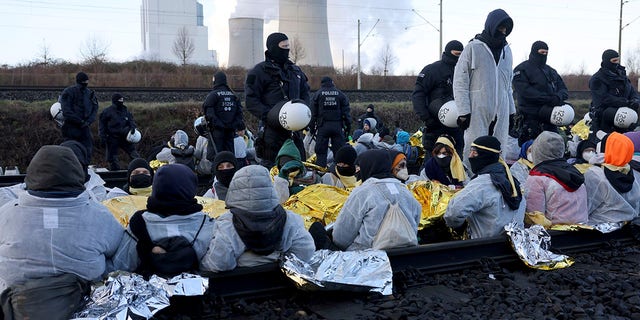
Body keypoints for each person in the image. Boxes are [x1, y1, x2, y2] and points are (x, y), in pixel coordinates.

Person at [0, 146, 125, 319]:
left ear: (32, 173)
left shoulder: (6, 214)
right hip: (85, 306)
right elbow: (119, 249)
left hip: (18, 308)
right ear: (77, 175)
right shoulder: (99, 216)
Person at [201, 165, 315, 272]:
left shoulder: (228, 223)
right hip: (283, 287)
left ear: (235, 190)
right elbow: (306, 251)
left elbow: (220, 263)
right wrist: (278, 258)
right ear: (269, 187)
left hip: (241, 287)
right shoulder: (289, 219)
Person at [116, 164, 215, 276]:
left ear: (156, 186)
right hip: (197, 290)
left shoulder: (139, 223)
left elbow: (122, 264)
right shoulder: (206, 224)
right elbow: (215, 263)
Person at [453, 9, 515, 165]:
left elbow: (508, 84)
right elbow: (460, 81)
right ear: (491, 25)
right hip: (477, 107)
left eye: (506, 28)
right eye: (500, 27)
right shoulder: (473, 48)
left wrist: (511, 111)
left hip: (501, 108)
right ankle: (470, 179)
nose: (503, 31)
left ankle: (499, 177)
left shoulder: (507, 52)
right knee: (474, 146)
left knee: (499, 146)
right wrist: (464, 111)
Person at [332, 149, 421, 251]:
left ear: (367, 167)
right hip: (407, 256)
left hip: (367, 258)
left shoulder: (362, 193)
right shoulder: (406, 192)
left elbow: (341, 237)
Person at [245, 32, 310, 168]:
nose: (287, 50)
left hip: (295, 131)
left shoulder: (295, 71)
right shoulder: (259, 72)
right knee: (272, 167)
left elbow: (305, 94)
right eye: (283, 46)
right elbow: (251, 101)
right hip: (272, 132)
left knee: (298, 166)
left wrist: (303, 112)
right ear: (273, 47)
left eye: (288, 46)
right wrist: (271, 115)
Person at [444, 136, 525, 239]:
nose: (470, 156)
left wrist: (459, 227)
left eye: (475, 152)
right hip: (513, 247)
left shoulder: (482, 183)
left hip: (482, 248)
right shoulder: (513, 182)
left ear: (487, 156)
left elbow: (453, 213)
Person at [412, 40, 465, 159]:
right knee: (432, 164)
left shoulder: (464, 71)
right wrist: (427, 118)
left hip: (458, 128)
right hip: (435, 127)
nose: (459, 58)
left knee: (458, 163)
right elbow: (418, 95)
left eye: (462, 55)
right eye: (456, 54)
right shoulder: (432, 70)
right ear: (448, 52)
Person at [513, 41, 569, 145]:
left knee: (553, 147)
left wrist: (558, 97)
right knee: (530, 150)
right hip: (530, 119)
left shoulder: (551, 71)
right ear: (534, 51)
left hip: (550, 117)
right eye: (541, 52)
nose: (544, 55)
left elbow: (564, 89)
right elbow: (525, 91)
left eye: (546, 53)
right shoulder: (521, 69)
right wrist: (548, 99)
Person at [525, 131, 588, 225]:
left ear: (538, 150)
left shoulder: (538, 177)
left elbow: (534, 216)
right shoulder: (574, 171)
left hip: (555, 235)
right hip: (582, 231)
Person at [584, 132, 640, 225]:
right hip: (628, 227)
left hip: (598, 227)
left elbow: (586, 207)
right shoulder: (634, 172)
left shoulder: (595, 174)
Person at [588, 49, 640, 136]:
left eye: (618, 60)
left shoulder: (622, 76)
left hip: (625, 117)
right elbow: (603, 99)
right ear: (607, 61)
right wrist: (625, 102)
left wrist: (635, 101)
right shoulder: (597, 79)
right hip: (605, 120)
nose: (616, 63)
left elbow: (631, 91)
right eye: (614, 61)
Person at [310, 76, 351, 168]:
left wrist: (312, 129)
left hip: (323, 126)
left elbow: (313, 114)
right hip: (337, 126)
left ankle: (321, 171)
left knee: (321, 152)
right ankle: (338, 172)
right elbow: (346, 113)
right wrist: (348, 128)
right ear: (332, 83)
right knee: (339, 152)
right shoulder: (340, 94)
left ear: (322, 84)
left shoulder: (318, 94)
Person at [203, 71, 245, 155]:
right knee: (229, 156)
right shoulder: (234, 95)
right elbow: (240, 114)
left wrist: (220, 125)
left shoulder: (213, 95)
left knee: (216, 158)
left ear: (215, 81)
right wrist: (231, 125)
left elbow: (209, 114)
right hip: (230, 132)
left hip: (217, 132)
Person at [59, 72, 99, 159]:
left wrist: (88, 121)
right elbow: (66, 111)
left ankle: (84, 167)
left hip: (84, 127)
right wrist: (80, 121)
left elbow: (95, 108)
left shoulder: (89, 93)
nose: (85, 83)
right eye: (84, 81)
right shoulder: (68, 92)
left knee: (87, 149)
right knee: (70, 150)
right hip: (71, 126)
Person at [99, 93, 141, 171]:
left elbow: (131, 121)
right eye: (119, 101)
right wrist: (102, 137)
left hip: (126, 136)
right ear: (114, 101)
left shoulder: (125, 110)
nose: (121, 102)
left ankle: (139, 168)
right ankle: (115, 173)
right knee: (112, 158)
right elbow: (102, 126)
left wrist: (133, 128)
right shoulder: (107, 112)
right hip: (112, 137)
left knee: (134, 153)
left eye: (122, 100)